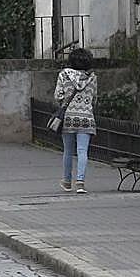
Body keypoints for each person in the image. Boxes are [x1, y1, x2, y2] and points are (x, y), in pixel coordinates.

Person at [54, 47, 98, 194]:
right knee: (82, 151)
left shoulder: (64, 74)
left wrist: (65, 102)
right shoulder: (93, 77)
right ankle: (80, 183)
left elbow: (58, 96)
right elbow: (94, 99)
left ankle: (67, 182)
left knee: (68, 151)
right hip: (86, 118)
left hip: (68, 117)